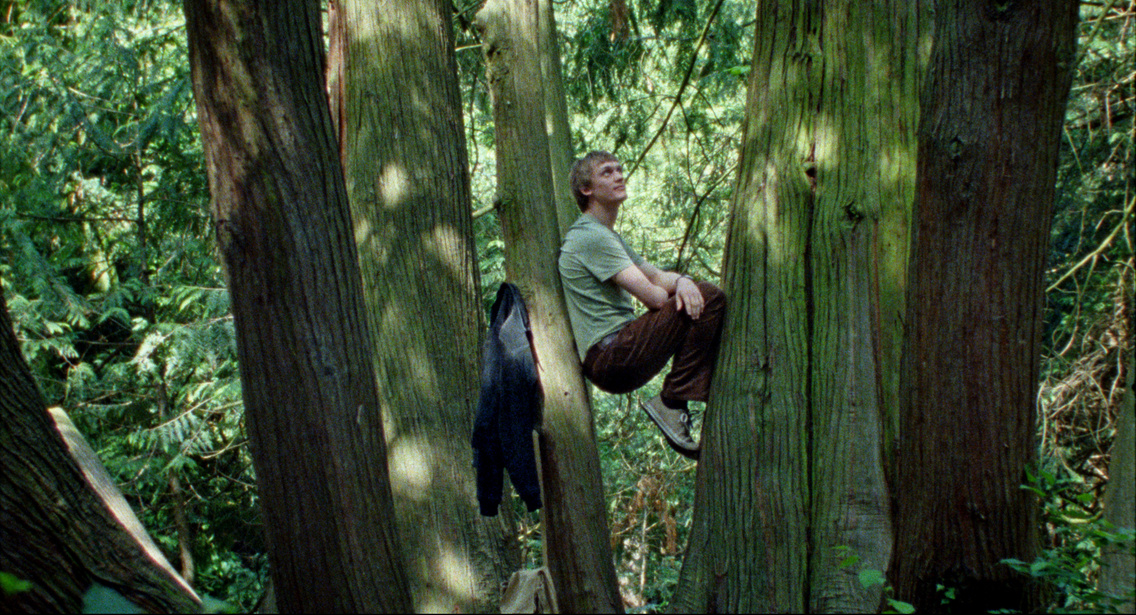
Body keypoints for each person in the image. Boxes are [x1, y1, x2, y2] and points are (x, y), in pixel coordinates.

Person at [558, 151, 726, 460]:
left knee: (699, 295)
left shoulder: (608, 236)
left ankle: (677, 399)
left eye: (619, 169)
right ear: (586, 189)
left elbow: (659, 276)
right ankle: (672, 402)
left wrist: (683, 281)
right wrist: (683, 290)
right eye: (607, 172)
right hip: (611, 356)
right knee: (709, 298)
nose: (619, 175)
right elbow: (654, 297)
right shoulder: (590, 237)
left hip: (619, 353)